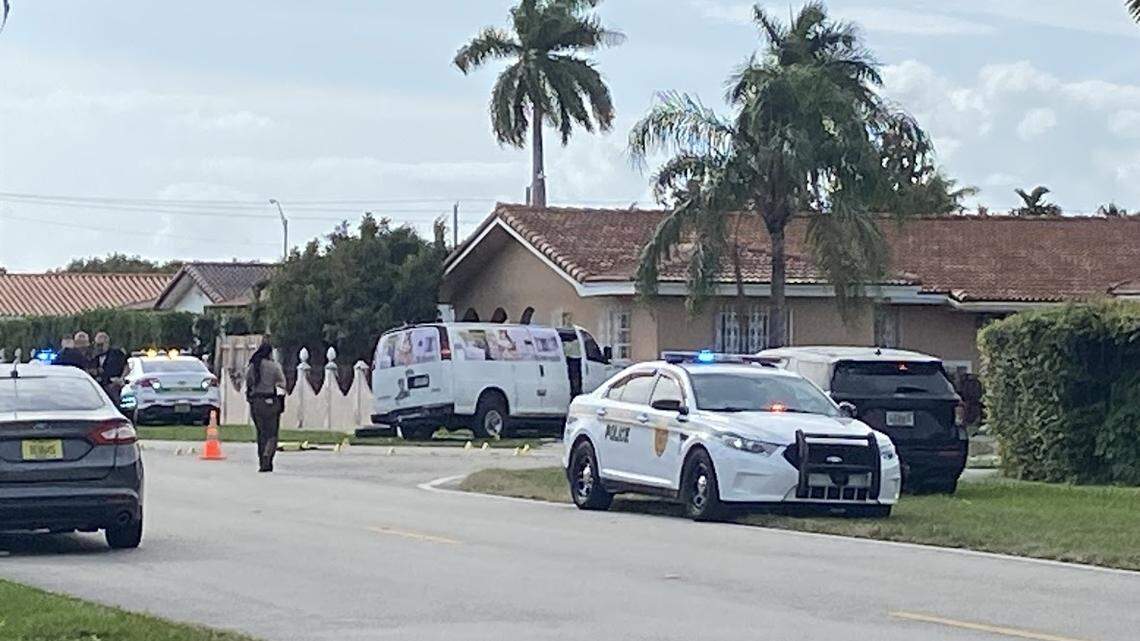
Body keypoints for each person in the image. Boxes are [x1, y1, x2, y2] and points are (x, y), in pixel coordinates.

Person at [245, 339, 286, 473]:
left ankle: (262, 460)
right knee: (272, 433)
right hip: (271, 401)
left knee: (261, 433)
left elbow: (248, 382)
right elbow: (282, 384)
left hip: (256, 402)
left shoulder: (253, 366)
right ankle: (268, 455)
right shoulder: (274, 367)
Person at [92, 332, 128, 403]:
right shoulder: (94, 356)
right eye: (97, 345)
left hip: (114, 385)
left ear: (107, 343)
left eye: (101, 345)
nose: (99, 347)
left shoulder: (117, 354)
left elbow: (126, 366)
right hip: (99, 386)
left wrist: (121, 378)